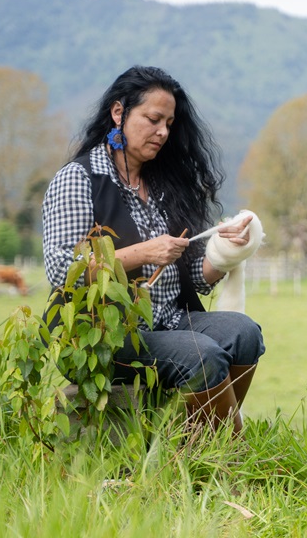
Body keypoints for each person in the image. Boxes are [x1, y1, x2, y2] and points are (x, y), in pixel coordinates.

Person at [42, 65, 264, 435]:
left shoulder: (162, 184)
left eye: (169, 123)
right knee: (201, 353)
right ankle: (228, 453)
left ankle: (197, 447)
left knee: (244, 333)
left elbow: (194, 276)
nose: (162, 132)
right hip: (105, 333)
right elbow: (63, 271)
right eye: (153, 119)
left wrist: (227, 252)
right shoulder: (78, 179)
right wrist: (143, 252)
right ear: (119, 113)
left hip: (170, 320)